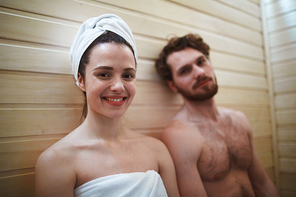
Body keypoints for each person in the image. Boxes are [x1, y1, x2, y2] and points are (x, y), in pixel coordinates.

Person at [35, 14, 180, 197]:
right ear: (81, 80)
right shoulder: (56, 162)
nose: (119, 86)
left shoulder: (157, 150)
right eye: (104, 74)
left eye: (128, 75)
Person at [155, 33, 280, 197]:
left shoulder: (239, 119)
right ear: (173, 85)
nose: (199, 72)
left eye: (201, 62)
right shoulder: (179, 136)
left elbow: (262, 183)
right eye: (185, 70)